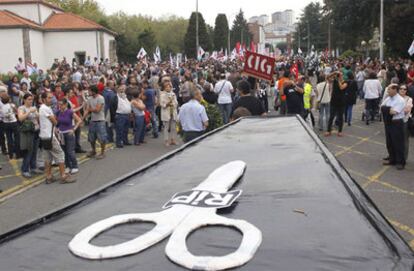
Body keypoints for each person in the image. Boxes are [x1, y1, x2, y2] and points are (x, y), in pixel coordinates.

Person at [39, 92, 75, 183]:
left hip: (44, 136)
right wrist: (59, 122)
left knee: (48, 157)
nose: (51, 99)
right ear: (43, 99)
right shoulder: (45, 108)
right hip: (49, 136)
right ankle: (63, 176)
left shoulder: (43, 108)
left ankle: (49, 177)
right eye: (48, 98)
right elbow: (55, 121)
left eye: (51, 97)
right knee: (60, 154)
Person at [381, 84, 406, 170]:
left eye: (389, 90)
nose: (387, 91)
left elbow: (394, 112)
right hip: (389, 122)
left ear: (395, 90)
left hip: (397, 123)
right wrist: (388, 109)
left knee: (398, 143)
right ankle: (392, 159)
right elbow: (382, 107)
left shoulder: (400, 100)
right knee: (390, 142)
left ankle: (400, 162)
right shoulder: (388, 98)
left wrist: (386, 109)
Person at [56, 98, 82, 174]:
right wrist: (56, 128)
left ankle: (74, 166)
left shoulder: (70, 112)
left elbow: (79, 120)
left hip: (69, 133)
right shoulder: (58, 112)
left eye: (61, 104)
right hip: (61, 134)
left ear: (66, 104)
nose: (60, 106)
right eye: (59, 104)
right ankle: (68, 166)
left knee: (70, 151)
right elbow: (57, 122)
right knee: (64, 152)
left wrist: (73, 129)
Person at [18, 93, 41, 178]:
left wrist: (38, 113)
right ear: (24, 100)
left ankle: (33, 167)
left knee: (35, 151)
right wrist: (29, 112)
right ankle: (25, 169)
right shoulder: (22, 108)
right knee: (28, 152)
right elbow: (20, 118)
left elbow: (38, 118)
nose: (31, 101)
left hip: (36, 130)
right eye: (29, 99)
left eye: (32, 99)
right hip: (28, 133)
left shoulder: (33, 108)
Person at [83, 85, 107, 159]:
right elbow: (87, 109)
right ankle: (93, 150)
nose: (88, 92)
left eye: (89, 91)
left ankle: (103, 152)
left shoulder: (100, 98)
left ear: (93, 91)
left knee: (102, 138)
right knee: (91, 138)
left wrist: (89, 109)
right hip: (93, 120)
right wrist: (82, 118)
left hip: (100, 121)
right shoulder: (89, 99)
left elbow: (97, 110)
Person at [325, 71, 348, 137]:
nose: (339, 76)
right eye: (339, 75)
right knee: (331, 117)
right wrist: (334, 73)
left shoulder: (345, 82)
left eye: (340, 75)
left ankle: (340, 131)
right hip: (333, 101)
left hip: (341, 102)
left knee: (340, 117)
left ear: (342, 76)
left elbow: (341, 87)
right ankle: (328, 130)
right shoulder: (334, 80)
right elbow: (327, 77)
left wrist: (338, 80)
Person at [160, 80, 178, 146]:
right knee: (166, 127)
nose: (168, 88)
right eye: (166, 87)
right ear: (164, 88)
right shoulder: (162, 94)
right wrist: (167, 104)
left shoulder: (173, 94)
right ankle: (166, 140)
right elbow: (162, 104)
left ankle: (173, 139)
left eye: (169, 87)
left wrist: (173, 103)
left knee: (173, 127)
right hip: (166, 112)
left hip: (173, 111)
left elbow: (176, 102)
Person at [1, 94, 20, 159]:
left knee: (9, 139)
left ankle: (11, 155)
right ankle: (18, 154)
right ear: (9, 99)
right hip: (13, 123)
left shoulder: (2, 107)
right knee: (17, 138)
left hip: (6, 123)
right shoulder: (12, 105)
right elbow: (17, 111)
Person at [398, 85, 412, 162]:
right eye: (401, 89)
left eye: (404, 89)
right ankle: (395, 157)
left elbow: (407, 111)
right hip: (395, 122)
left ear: (406, 90)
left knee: (404, 141)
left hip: (404, 122)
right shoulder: (396, 98)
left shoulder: (409, 99)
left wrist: (396, 110)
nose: (402, 90)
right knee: (395, 140)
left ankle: (403, 159)